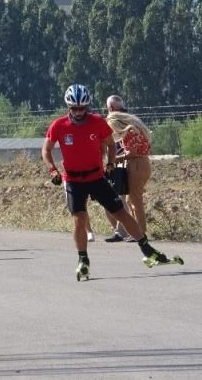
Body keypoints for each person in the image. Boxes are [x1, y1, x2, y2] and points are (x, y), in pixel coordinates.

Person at [42, 84, 176, 279]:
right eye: (75, 108)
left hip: (96, 177)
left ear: (87, 107)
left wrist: (111, 163)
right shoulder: (59, 125)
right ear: (68, 107)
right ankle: (83, 260)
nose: (79, 112)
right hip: (73, 179)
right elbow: (46, 150)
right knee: (79, 218)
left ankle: (147, 249)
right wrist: (52, 169)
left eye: (82, 108)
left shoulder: (97, 122)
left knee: (120, 211)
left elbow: (111, 145)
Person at [106, 111, 153, 242]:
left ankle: (141, 233)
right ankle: (136, 231)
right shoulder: (136, 130)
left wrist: (115, 159)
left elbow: (132, 153)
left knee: (135, 201)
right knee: (130, 200)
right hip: (140, 164)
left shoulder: (131, 131)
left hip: (136, 165)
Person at [103, 94, 133, 243]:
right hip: (111, 164)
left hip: (122, 163)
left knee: (120, 199)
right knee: (109, 200)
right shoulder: (109, 122)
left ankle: (124, 232)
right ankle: (120, 230)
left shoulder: (124, 121)